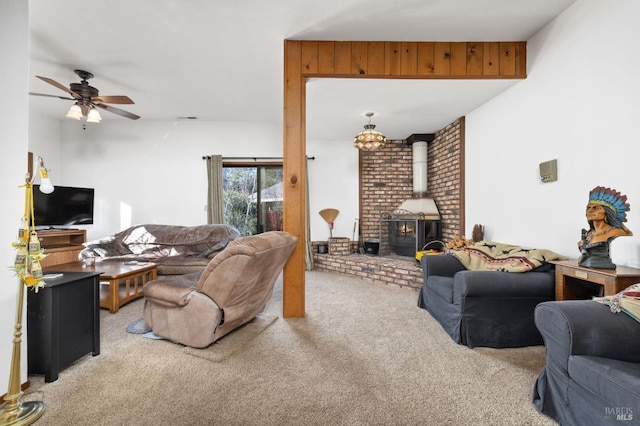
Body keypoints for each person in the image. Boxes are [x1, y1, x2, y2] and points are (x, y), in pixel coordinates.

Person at [578, 186, 632, 269]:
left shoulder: (616, 232)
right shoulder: (589, 233)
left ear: (607, 212)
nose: (590, 210)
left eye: (597, 208)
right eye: (588, 208)